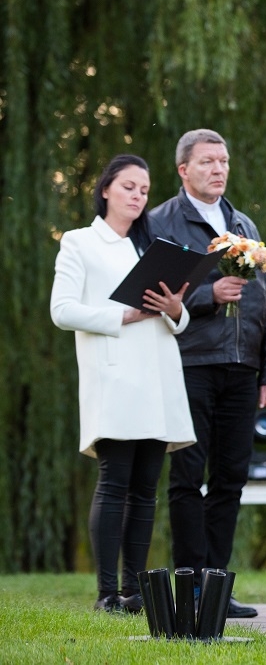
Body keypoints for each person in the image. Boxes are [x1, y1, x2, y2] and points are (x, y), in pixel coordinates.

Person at [50, 154, 196, 613]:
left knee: (146, 488)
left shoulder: (151, 246)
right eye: (129, 186)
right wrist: (123, 315)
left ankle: (135, 591)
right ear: (106, 189)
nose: (138, 196)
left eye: (145, 190)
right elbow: (63, 310)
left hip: (157, 377)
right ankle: (106, 592)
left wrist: (175, 309)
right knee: (115, 482)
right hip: (114, 376)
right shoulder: (79, 243)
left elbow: (177, 316)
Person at [148, 129, 266, 619]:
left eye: (223, 161)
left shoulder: (242, 222)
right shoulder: (162, 221)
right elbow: (149, 296)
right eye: (207, 162)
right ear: (184, 170)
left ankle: (217, 588)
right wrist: (207, 297)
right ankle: (191, 588)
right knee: (187, 477)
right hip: (188, 364)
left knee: (231, 478)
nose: (218, 170)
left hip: (242, 368)